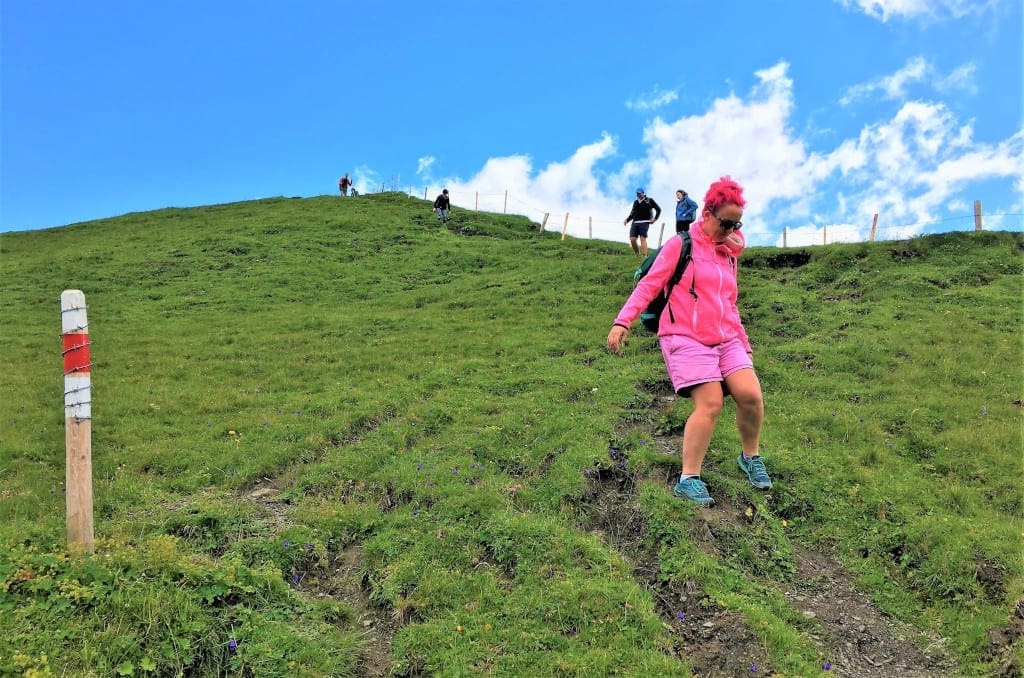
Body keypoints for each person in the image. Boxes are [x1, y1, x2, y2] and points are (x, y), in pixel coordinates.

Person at [606, 176, 772, 507]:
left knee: (751, 395)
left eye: (736, 224)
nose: (730, 229)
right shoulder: (681, 245)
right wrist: (623, 320)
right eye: (725, 222)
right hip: (684, 336)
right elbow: (649, 286)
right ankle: (688, 478)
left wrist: (743, 343)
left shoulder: (729, 254)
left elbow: (730, 301)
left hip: (726, 338)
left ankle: (749, 457)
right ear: (707, 214)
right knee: (710, 402)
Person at [623, 188, 661, 257]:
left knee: (642, 238)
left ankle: (644, 256)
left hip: (645, 222)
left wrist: (655, 219)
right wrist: (627, 220)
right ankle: (637, 255)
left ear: (643, 193)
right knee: (632, 239)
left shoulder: (649, 200)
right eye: (637, 194)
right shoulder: (635, 202)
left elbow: (658, 209)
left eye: (640, 193)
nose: (639, 195)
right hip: (635, 222)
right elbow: (632, 213)